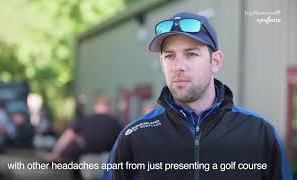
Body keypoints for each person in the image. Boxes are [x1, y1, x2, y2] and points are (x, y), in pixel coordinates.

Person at [103, 12, 293, 180]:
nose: (179, 66)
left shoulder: (259, 134)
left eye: (191, 54)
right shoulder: (134, 138)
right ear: (162, 63)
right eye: (169, 56)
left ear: (215, 62)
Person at [44, 93, 122, 163]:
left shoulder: (84, 120)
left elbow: (66, 137)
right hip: (109, 161)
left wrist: (55, 154)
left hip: (88, 161)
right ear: (109, 107)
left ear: (95, 106)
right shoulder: (116, 122)